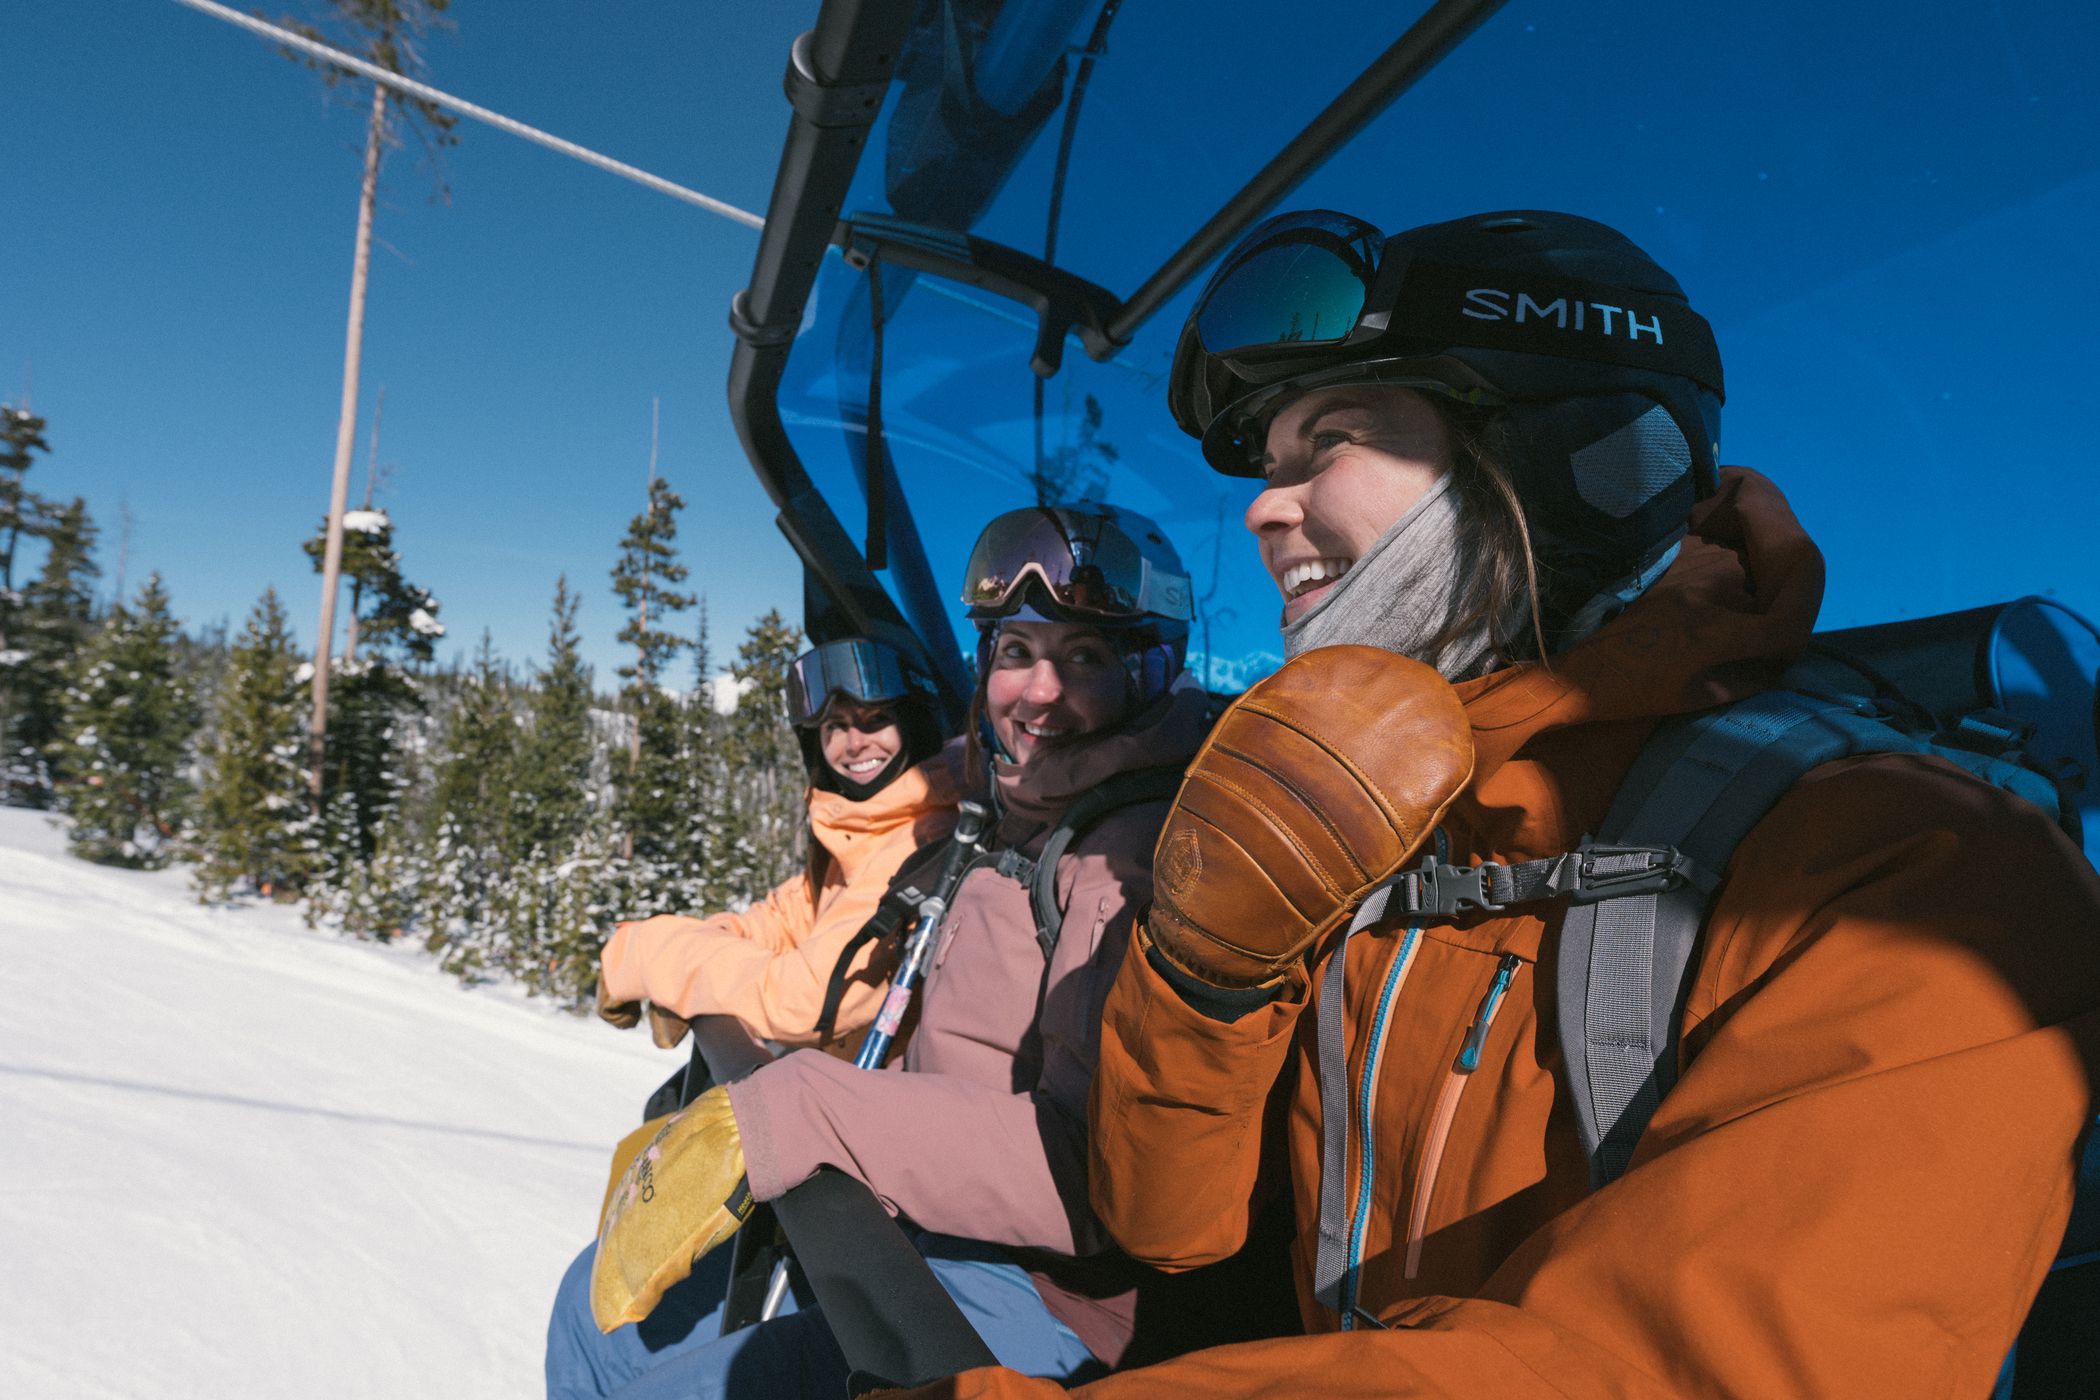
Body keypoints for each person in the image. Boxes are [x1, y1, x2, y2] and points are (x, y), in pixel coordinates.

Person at [894, 210, 2100, 1398]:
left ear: (1568, 458)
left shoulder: (1917, 876)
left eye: (1334, 439)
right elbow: (1169, 1219)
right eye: (1267, 469)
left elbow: (1667, 1368)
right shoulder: (1370, 824)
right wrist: (1209, 970)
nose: (1263, 510)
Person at [546, 504, 1212, 1399]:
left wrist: (805, 1107)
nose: (1038, 692)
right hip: (909, 1222)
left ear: (1150, 666)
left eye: (1083, 656)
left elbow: (1096, 1174)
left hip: (1042, 1292)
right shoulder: (1001, 801)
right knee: (591, 1321)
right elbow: (824, 888)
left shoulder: (1124, 864)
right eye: (1015, 653)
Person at [594, 636, 959, 1052]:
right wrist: (692, 949)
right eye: (835, 727)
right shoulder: (867, 829)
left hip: (881, 1101)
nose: (855, 743)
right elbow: (787, 918)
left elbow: (806, 1001)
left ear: (912, 724)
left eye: (875, 719)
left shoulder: (923, 843)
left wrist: (651, 956)